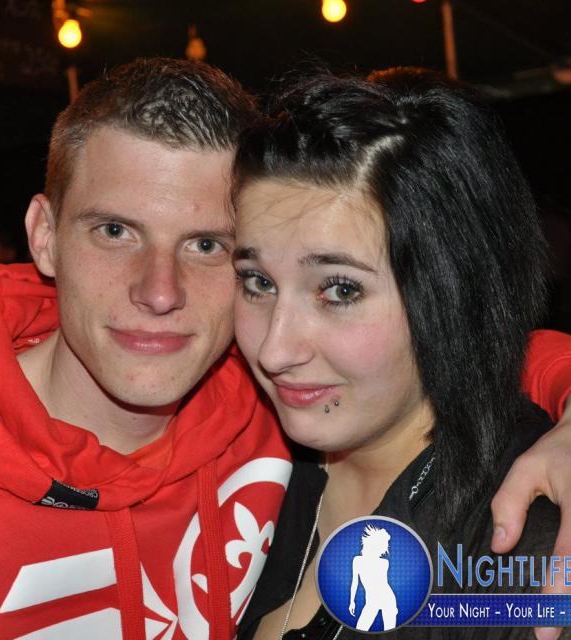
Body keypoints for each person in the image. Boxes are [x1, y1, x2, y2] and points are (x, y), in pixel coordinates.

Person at [0, 57, 569, 640]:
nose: (275, 350)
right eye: (115, 230)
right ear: (43, 236)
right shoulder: (279, 416)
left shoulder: (519, 560)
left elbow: (492, 350)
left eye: (207, 245)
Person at [232, 67, 571, 639]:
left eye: (340, 290)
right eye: (257, 282)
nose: (274, 349)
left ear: (452, 291)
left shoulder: (529, 560)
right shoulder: (236, 466)